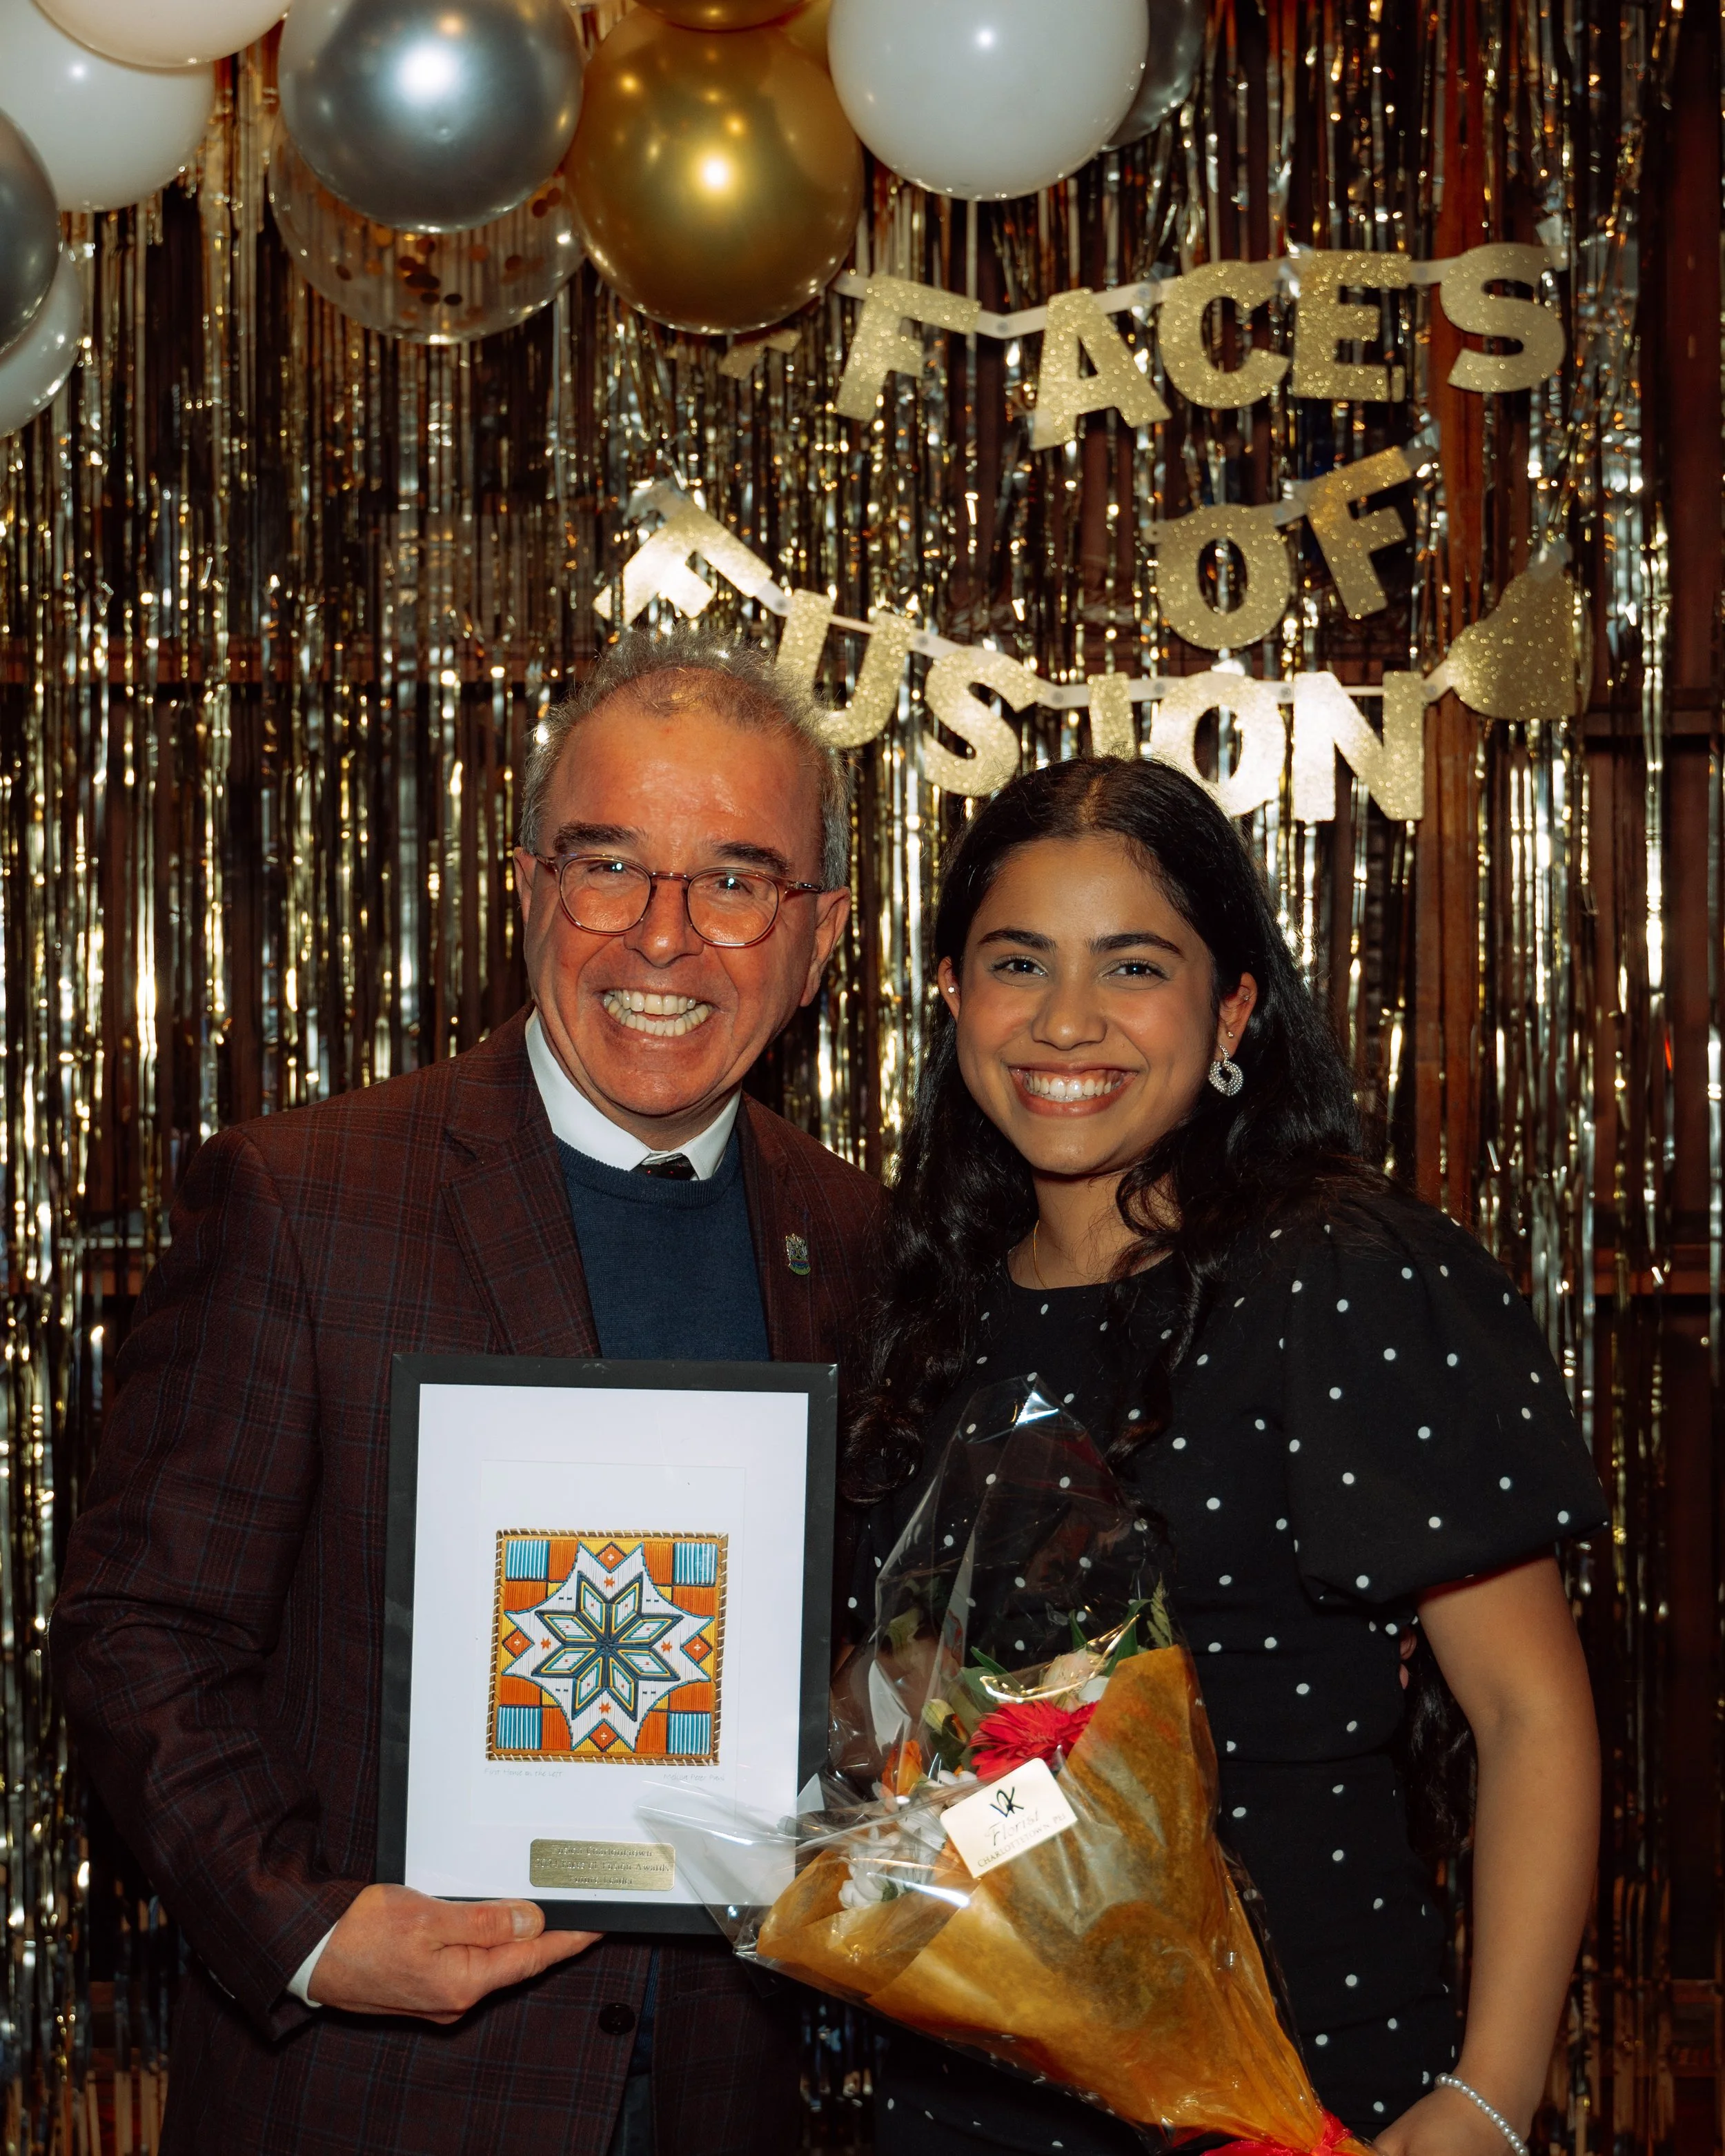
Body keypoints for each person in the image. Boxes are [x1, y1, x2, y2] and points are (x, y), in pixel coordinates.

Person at [52, 626, 882, 2155]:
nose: (661, 937)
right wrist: (308, 1927)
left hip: (722, 2103)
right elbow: (138, 1631)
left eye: (736, 879)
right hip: (370, 2098)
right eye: (608, 864)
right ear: (525, 887)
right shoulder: (306, 1200)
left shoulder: (855, 1238)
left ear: (818, 931)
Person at [843, 755, 1606, 2156]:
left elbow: (1527, 1711)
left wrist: (1490, 2096)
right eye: (1018, 962)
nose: (1065, 1018)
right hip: (963, 2087)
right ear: (951, 993)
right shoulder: (917, 1307)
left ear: (1232, 1007)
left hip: (1298, 2081)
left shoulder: (1339, 1278)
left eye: (1132, 965)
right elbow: (897, 1720)